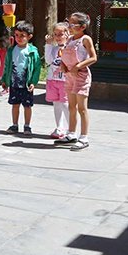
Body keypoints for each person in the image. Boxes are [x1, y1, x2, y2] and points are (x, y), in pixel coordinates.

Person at [55, 12, 97, 151]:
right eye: (69, 23)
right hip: (69, 76)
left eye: (73, 24)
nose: (70, 27)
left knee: (82, 108)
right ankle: (71, 133)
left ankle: (84, 137)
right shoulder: (70, 39)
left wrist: (78, 66)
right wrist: (63, 65)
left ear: (83, 26)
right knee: (71, 106)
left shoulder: (86, 39)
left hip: (81, 76)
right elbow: (65, 55)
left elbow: (93, 57)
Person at [1, 21, 41, 135]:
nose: (19, 38)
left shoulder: (32, 51)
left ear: (29, 36)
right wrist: (5, 80)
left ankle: (27, 126)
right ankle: (14, 125)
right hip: (14, 83)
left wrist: (33, 81)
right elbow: (7, 65)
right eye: (17, 35)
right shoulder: (11, 50)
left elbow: (37, 67)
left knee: (27, 105)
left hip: (26, 84)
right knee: (15, 104)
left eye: (22, 35)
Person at [44, 22, 70, 139]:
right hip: (53, 80)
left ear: (67, 34)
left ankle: (71, 129)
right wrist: (48, 45)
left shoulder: (70, 48)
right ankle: (59, 127)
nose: (58, 37)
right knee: (56, 103)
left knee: (65, 104)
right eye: (55, 34)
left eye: (61, 34)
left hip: (65, 80)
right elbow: (49, 61)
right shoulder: (54, 49)